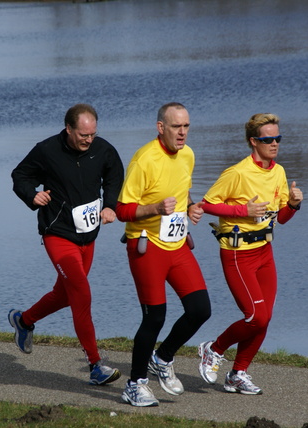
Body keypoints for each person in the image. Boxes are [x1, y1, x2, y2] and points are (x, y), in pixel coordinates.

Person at [9, 103, 124, 386]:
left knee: (65, 294)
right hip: (58, 234)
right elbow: (19, 176)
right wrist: (32, 196)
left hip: (88, 237)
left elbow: (114, 176)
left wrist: (110, 205)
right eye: (83, 134)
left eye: (92, 134)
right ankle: (95, 365)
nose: (88, 140)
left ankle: (24, 321)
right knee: (82, 293)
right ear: (69, 129)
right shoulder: (47, 151)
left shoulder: (103, 149)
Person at [197, 113, 303, 395]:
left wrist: (293, 204)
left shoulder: (278, 172)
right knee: (255, 315)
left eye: (278, 138)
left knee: (264, 317)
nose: (275, 144)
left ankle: (237, 374)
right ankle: (213, 348)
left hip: (265, 252)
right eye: (268, 139)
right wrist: (243, 210)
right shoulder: (237, 173)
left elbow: (281, 218)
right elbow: (207, 204)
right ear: (253, 142)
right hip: (237, 253)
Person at [115, 102, 211, 407]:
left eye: (186, 127)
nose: (182, 133)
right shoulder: (144, 159)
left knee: (200, 309)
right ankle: (135, 384)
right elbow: (122, 210)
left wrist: (192, 206)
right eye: (176, 127)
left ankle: (163, 357)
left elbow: (182, 193)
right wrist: (154, 209)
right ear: (161, 128)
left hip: (177, 244)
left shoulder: (188, 155)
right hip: (146, 246)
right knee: (155, 317)